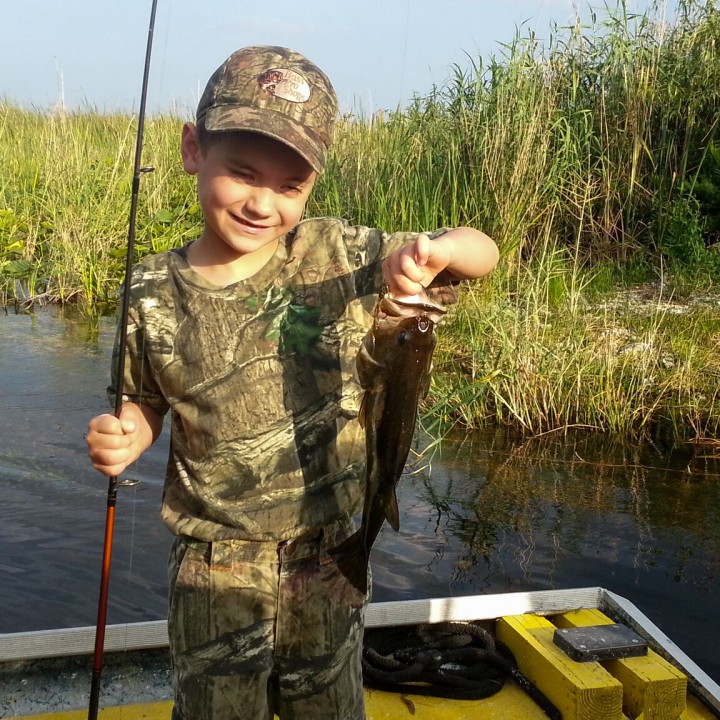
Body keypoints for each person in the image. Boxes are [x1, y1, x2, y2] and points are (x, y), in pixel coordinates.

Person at [86, 45, 499, 720]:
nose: (261, 202)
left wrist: (440, 251)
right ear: (194, 149)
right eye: (242, 172)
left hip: (331, 550)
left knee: (330, 706)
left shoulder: (337, 252)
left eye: (290, 186)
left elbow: (482, 252)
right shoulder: (150, 290)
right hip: (212, 566)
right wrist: (127, 434)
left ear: (311, 188)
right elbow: (144, 403)